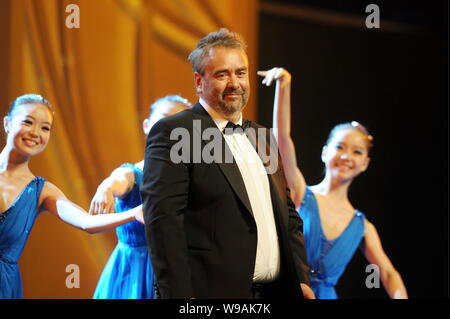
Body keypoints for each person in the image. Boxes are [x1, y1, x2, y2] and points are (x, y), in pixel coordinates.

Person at [141, 28, 314, 299]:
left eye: (241, 72)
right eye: (222, 74)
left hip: (275, 293)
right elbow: (163, 223)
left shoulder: (262, 137)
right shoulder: (177, 132)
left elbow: (288, 214)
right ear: (199, 81)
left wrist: (301, 278)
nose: (235, 83)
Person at [259, 67, 408, 299]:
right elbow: (282, 139)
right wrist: (284, 86)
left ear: (365, 163)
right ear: (325, 152)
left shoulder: (363, 227)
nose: (347, 156)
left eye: (357, 152)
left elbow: (389, 274)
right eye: (339, 147)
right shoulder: (302, 194)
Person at [0, 94, 144, 299]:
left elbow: (87, 222)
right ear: (7, 123)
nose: (35, 133)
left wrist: (134, 213)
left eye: (45, 128)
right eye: (28, 122)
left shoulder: (41, 191)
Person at [90, 95, 191, 299]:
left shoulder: (194, 179)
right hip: (132, 273)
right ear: (147, 125)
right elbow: (119, 180)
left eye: (178, 122)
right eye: (163, 119)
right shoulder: (133, 173)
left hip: (178, 272)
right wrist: (105, 187)